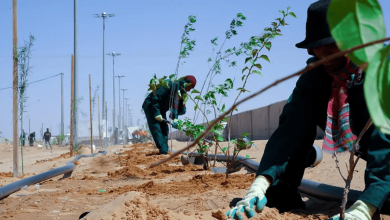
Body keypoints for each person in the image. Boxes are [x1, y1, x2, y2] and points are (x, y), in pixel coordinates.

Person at [226, 1, 390, 220]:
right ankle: (284, 189)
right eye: (316, 50)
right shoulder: (317, 78)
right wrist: (260, 183)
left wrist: (364, 208)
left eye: (330, 50)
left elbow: (385, 142)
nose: (322, 57)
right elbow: (290, 130)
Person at [142, 75, 197, 154]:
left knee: (164, 128)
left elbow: (176, 107)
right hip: (151, 106)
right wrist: (157, 113)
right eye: (190, 88)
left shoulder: (179, 92)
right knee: (156, 128)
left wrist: (175, 120)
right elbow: (156, 98)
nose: (189, 90)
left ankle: (165, 149)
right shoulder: (169, 84)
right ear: (187, 84)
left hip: (161, 109)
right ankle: (163, 150)